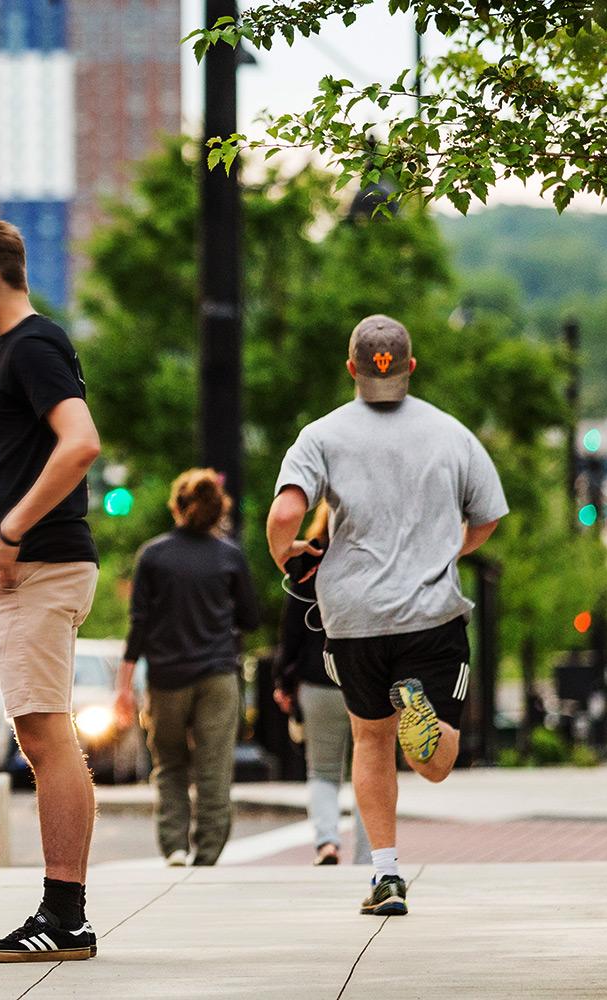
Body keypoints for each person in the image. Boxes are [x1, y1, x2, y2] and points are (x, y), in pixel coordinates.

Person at [265, 314, 506, 918]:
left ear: (351, 369)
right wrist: (448, 548)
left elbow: (283, 516)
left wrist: (286, 556)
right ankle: (418, 710)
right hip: (430, 612)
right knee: (437, 764)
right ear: (411, 367)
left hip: (354, 617)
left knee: (368, 742)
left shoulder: (320, 435)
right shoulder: (452, 434)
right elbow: (488, 518)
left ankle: (386, 874)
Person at [0, 219, 104, 963]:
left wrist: (9, 534)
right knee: (46, 737)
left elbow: (82, 442)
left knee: (45, 737)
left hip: (40, 567)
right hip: (41, 566)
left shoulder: (33, 344)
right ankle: (63, 912)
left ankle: (63, 917)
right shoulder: (27, 346)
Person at [118, 469, 258, 867]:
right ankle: (208, 853)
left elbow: (139, 623)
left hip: (167, 677)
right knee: (214, 767)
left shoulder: (153, 555)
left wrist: (124, 685)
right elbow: (250, 618)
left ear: (177, 506)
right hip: (218, 675)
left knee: (169, 763)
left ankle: (175, 845)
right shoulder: (230, 555)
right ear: (218, 510)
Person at [270, 501, 374, 866]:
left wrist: (283, 680)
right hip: (364, 679)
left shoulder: (309, 565)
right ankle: (368, 853)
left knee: (323, 770)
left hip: (316, 681)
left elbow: (291, 630)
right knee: (371, 764)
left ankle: (327, 842)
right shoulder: (372, 562)